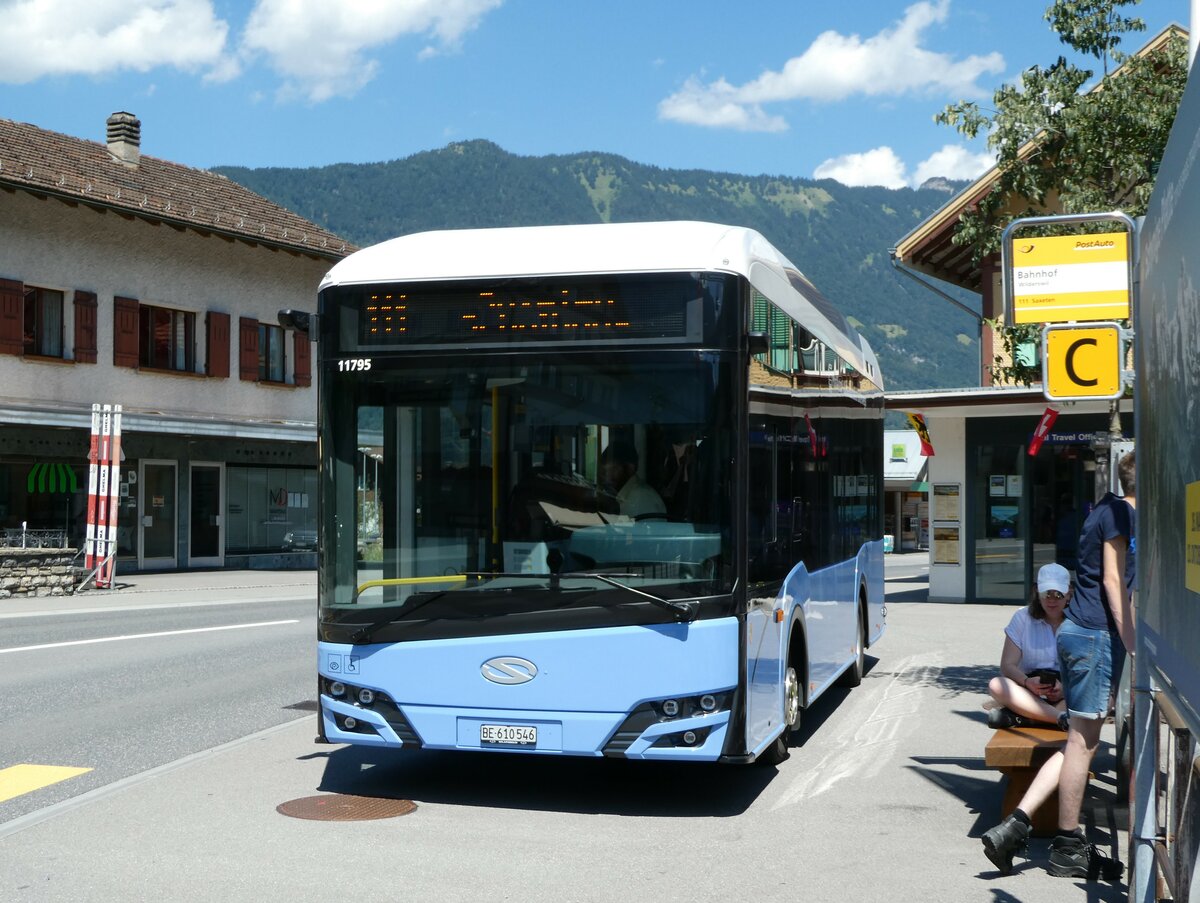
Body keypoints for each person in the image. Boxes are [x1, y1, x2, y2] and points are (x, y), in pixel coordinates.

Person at [1048, 450, 1135, 882]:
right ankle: (1067, 847)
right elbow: (1113, 578)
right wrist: (1130, 637)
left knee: (1081, 740)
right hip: (1096, 635)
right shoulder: (1119, 514)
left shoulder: (1103, 506)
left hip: (1080, 633)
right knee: (1084, 744)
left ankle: (1068, 842)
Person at [980, 562, 1072, 874]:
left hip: (1063, 694)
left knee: (1084, 694)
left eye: (1059, 594)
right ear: (1038, 592)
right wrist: (1027, 682)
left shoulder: (1077, 622)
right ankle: (1055, 719)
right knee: (996, 684)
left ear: (1068, 594)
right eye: (1048, 593)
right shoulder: (1022, 618)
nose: (1053, 599)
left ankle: (1031, 718)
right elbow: (1008, 666)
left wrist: (1063, 685)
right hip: (1031, 693)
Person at [600, 439, 666, 519]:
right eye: (603, 472)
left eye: (613, 470)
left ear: (629, 468)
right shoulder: (625, 496)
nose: (605, 477)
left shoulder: (641, 498)